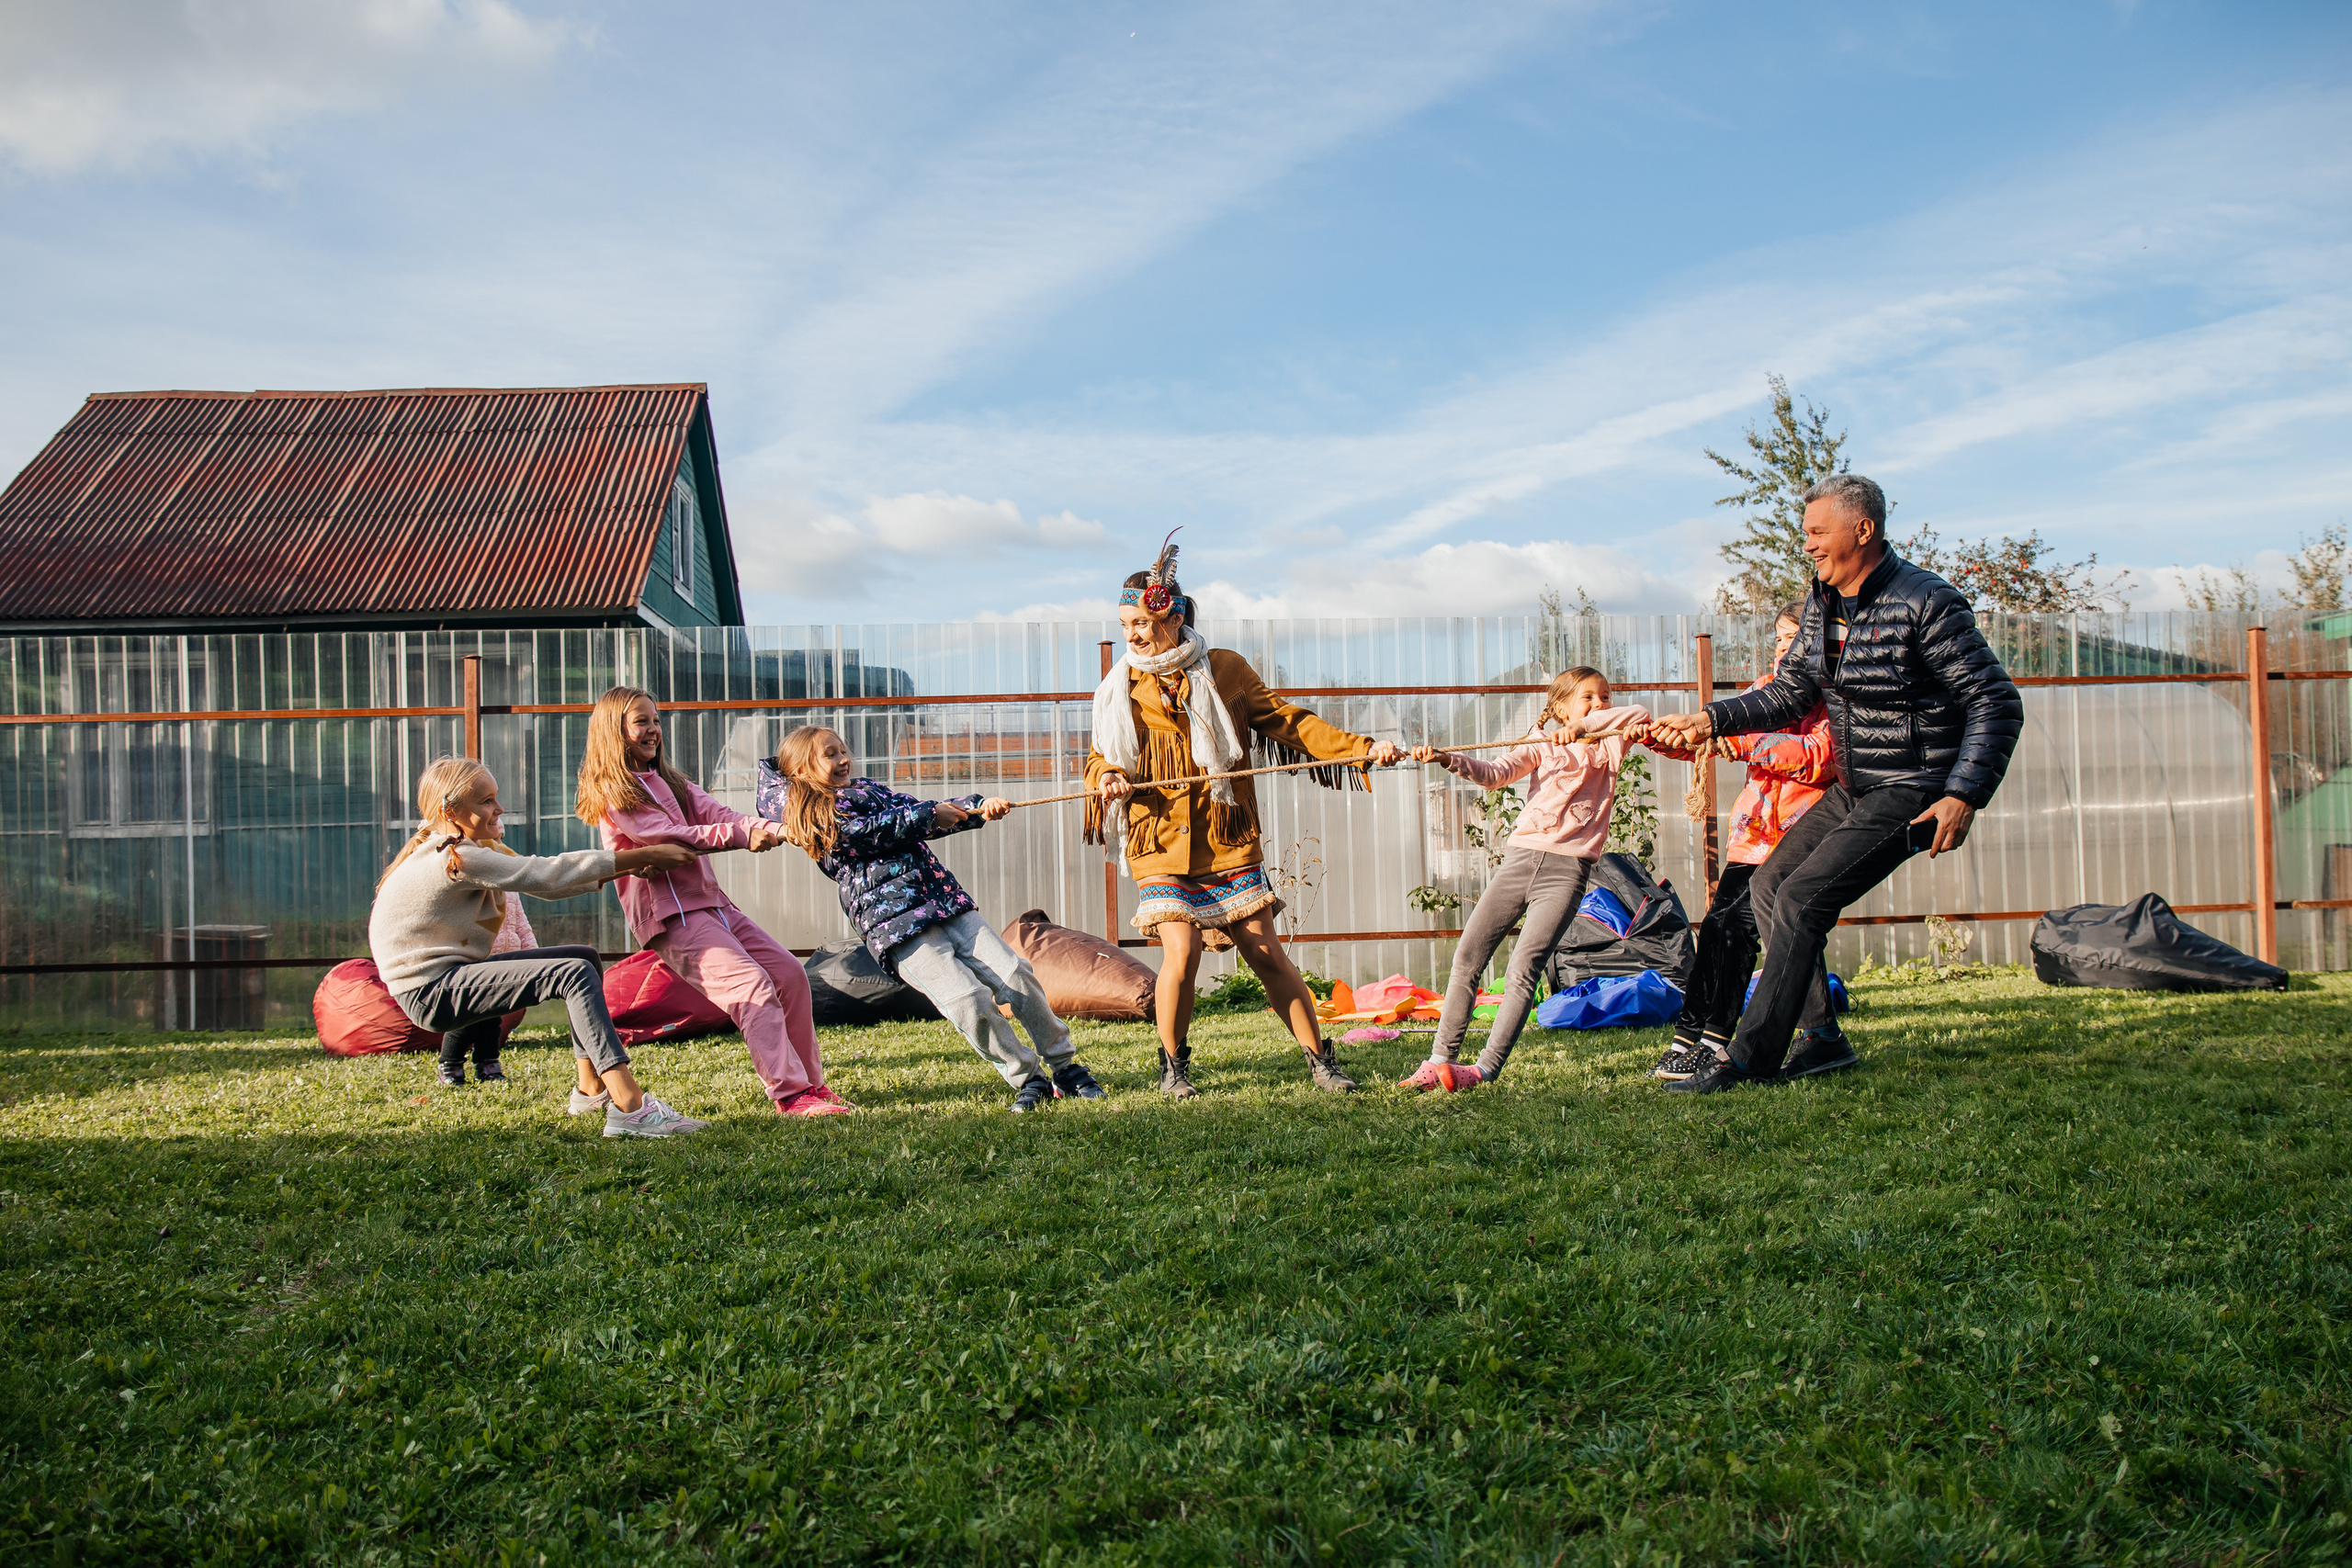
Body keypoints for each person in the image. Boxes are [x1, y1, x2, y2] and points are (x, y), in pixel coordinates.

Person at [1649, 474, 2023, 1092]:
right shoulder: (1823, 602)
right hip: (1858, 784)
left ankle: (1748, 1060)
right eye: (1806, 535)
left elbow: (1995, 699)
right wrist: (1710, 718)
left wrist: (1963, 793)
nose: (1808, 546)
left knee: (1802, 900)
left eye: (1818, 533)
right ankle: (1823, 1038)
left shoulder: (1926, 603)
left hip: (1916, 786)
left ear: (1864, 529)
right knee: (1770, 885)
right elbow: (1789, 692)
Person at [1084, 534, 1404, 1096]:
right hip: (1157, 837)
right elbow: (1101, 756)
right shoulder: (1120, 687)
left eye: (1139, 622)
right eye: (1124, 624)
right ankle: (1174, 1067)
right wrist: (1107, 778)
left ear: (1172, 617)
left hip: (1224, 835)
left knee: (1263, 949)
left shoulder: (1225, 669)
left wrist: (1359, 748)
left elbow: (1290, 721)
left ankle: (1320, 1060)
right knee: (1179, 952)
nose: (1131, 634)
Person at [761, 726, 1107, 1114]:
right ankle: (1028, 1079)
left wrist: (976, 807)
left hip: (944, 902)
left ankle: (1066, 1068)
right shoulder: (806, 815)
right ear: (803, 770)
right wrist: (927, 815)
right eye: (830, 754)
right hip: (895, 927)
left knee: (1014, 974)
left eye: (843, 749)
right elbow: (862, 833)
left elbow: (920, 811)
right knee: (967, 1001)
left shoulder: (870, 789)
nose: (844, 759)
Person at [368, 756, 709, 1138]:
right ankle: (630, 1107)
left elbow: (548, 882)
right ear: (451, 811)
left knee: (583, 958)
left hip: (445, 979)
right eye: (486, 801)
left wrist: (627, 866)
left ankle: (589, 1089)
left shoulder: (461, 850)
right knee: (572, 973)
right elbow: (546, 874)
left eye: (496, 798)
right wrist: (641, 855)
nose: (499, 809)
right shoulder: (456, 857)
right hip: (429, 991)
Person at [576, 687, 849, 1118]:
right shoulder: (617, 792)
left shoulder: (672, 781)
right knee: (750, 987)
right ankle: (791, 1095)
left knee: (789, 973)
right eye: (640, 723)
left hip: (712, 903)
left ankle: (812, 1085)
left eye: (655, 721)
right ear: (615, 732)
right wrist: (743, 837)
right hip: (672, 915)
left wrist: (777, 828)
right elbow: (667, 838)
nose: (653, 731)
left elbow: (721, 815)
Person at [1398, 667, 1651, 1093]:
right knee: (1467, 959)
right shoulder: (1542, 744)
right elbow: (1494, 774)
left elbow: (1639, 714)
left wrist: (1584, 724)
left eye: (1604, 697)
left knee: (1522, 968)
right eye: (1587, 697)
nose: (1600, 704)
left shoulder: (1610, 745)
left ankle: (1482, 1070)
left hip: (1567, 872)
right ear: (1558, 707)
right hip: (1520, 861)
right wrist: (1446, 759)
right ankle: (1439, 1059)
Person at [1642, 604, 1842, 1081]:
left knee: (1748, 929)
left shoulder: (1835, 699)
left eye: (1794, 638)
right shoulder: (1762, 692)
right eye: (1778, 638)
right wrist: (1662, 738)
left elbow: (1817, 758)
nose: (1783, 647)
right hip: (1751, 837)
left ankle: (1720, 1041)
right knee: (1716, 929)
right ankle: (1688, 1037)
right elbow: (1713, 739)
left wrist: (1736, 742)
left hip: (1802, 832)